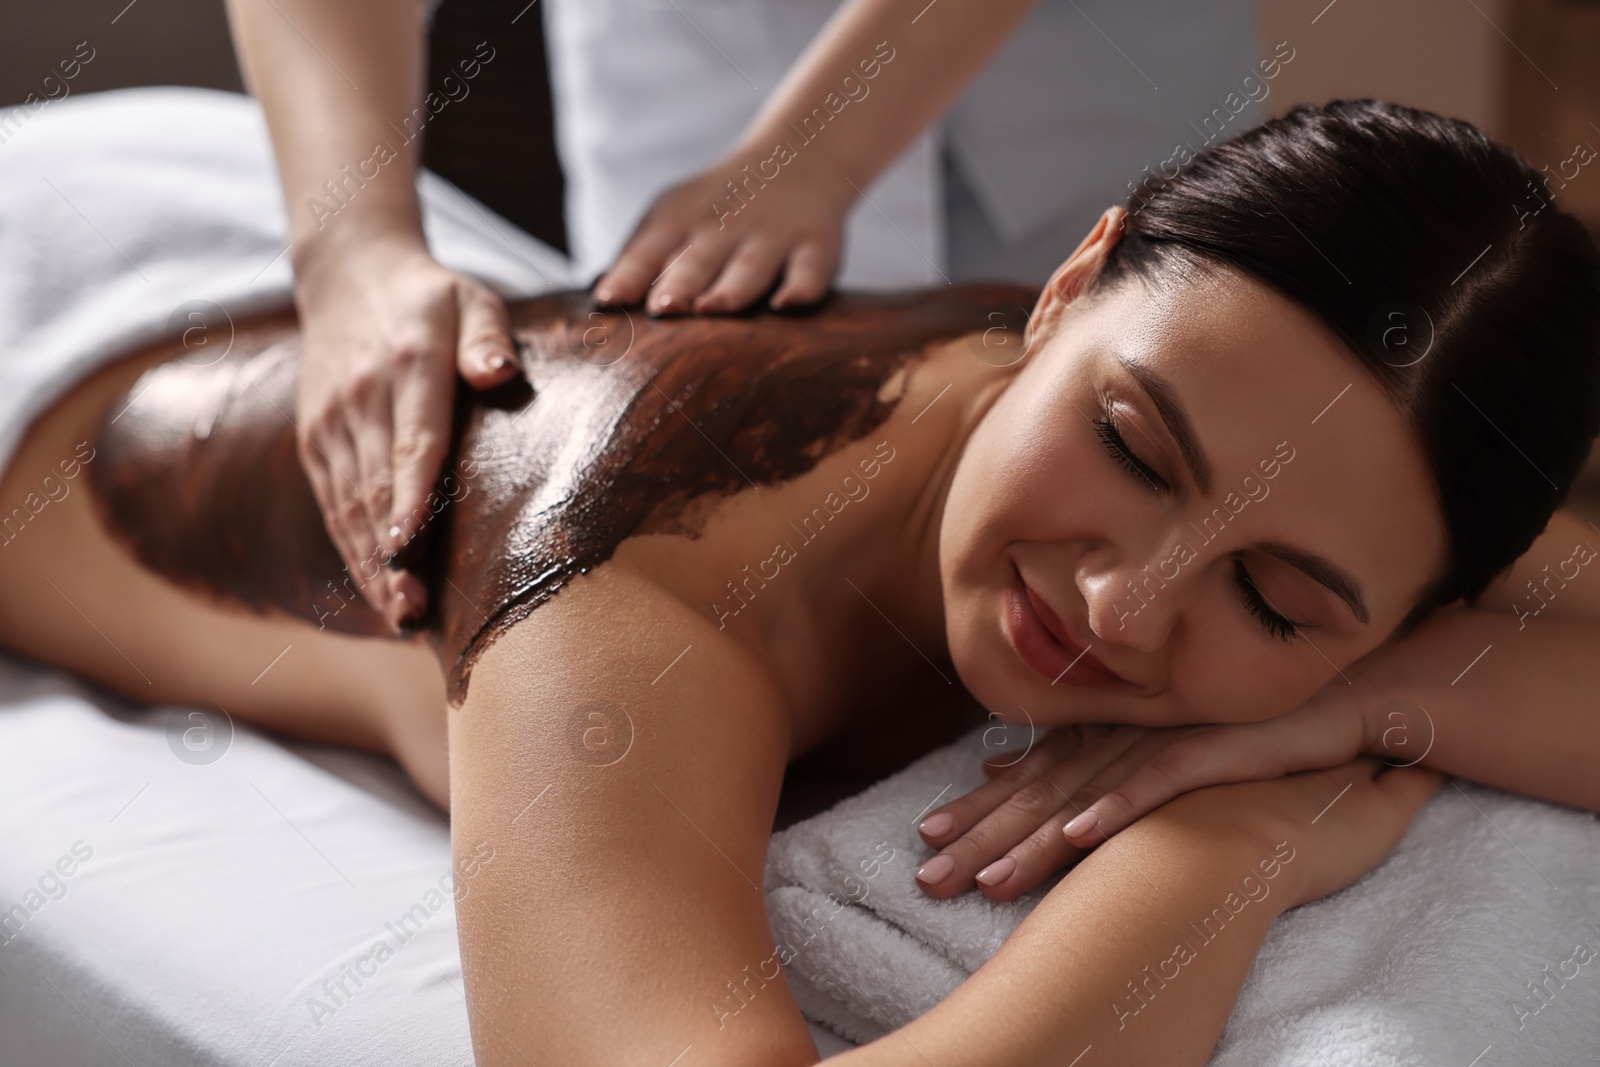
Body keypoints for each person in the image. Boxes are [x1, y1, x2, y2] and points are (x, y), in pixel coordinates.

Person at [4, 101, 1599, 1065]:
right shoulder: (632, 606)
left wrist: (1386, 701)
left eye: (1278, 602)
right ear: (1070, 284)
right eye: (1130, 444)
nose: (1126, 604)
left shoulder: (1316, 438)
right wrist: (1226, 848)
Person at [222, 0, 1263, 636]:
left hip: (1088, 114)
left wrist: (819, 153)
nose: (1123, 610)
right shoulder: (604, 590)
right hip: (684, 148)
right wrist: (352, 248)